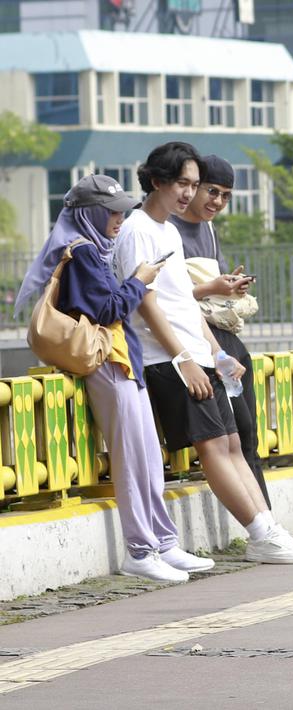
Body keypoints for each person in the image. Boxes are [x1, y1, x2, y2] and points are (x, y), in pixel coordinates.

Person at [113, 142, 293, 565]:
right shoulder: (136, 229)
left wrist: (213, 351)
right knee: (212, 447)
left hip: (198, 354)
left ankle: (268, 528)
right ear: (157, 181)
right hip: (166, 360)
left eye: (193, 184)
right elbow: (146, 303)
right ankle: (260, 534)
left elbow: (182, 303)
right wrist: (183, 360)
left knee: (229, 442)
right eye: (181, 184)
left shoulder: (168, 229)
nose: (189, 193)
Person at [14, 175, 214, 582]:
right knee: (131, 459)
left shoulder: (97, 250)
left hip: (124, 363)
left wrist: (136, 281)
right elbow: (107, 310)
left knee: (146, 458)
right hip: (109, 364)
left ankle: (163, 542)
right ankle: (141, 550)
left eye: (122, 210)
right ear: (91, 213)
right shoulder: (84, 253)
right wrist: (139, 280)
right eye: (112, 212)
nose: (120, 218)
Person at [170, 155, 293, 550]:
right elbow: (161, 299)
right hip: (192, 346)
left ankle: (272, 527)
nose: (216, 201)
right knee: (224, 440)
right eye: (210, 191)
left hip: (223, 339)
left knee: (247, 435)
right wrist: (210, 290)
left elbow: (202, 290)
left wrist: (228, 287)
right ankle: (263, 533)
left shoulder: (208, 228)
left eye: (225, 195)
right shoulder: (163, 228)